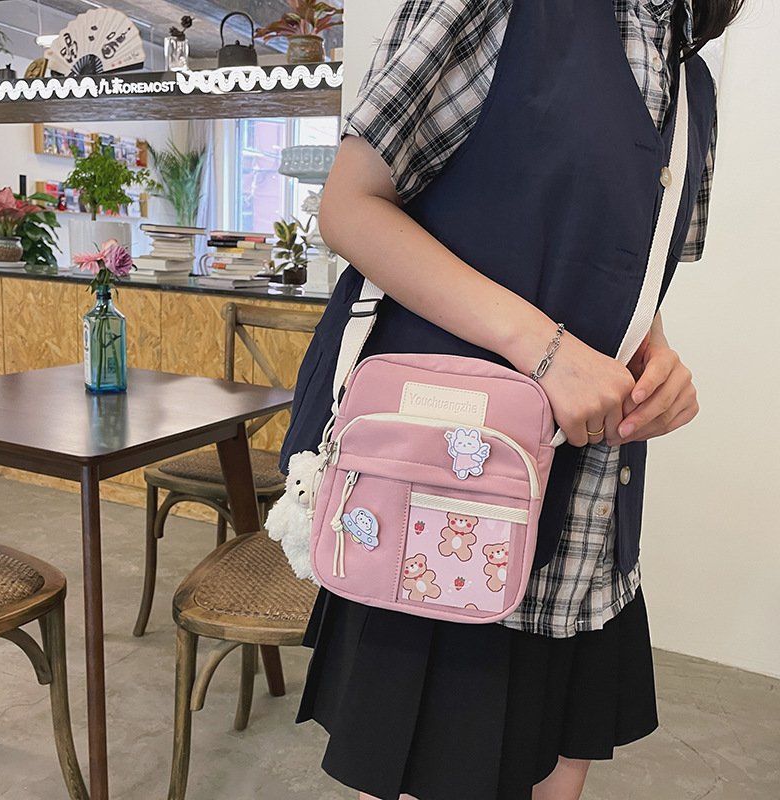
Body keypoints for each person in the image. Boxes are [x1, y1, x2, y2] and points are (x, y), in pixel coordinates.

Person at [280, 2, 744, 799]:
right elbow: (350, 206)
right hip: (446, 503)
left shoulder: (690, 75)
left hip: (589, 518)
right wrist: (549, 353)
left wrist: (656, 358)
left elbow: (622, 267)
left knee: (556, 775)